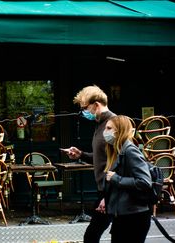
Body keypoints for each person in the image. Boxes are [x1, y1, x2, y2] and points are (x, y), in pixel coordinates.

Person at [61, 85, 115, 243]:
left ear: (96, 105)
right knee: (94, 235)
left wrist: (108, 196)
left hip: (113, 192)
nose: (83, 112)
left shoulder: (113, 125)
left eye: (85, 108)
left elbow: (119, 163)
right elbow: (103, 157)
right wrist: (81, 155)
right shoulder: (99, 124)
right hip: (105, 191)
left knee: (91, 235)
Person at [103, 115, 152, 243]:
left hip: (134, 217)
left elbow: (144, 182)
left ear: (119, 131)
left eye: (109, 128)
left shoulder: (130, 151)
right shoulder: (119, 150)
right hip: (123, 215)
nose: (105, 132)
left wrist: (116, 178)